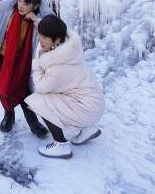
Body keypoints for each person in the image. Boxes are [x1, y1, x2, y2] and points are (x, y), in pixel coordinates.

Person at [0, 0, 55, 138]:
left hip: (23, 62)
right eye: (20, 1)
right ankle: (9, 115)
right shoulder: (7, 12)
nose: (21, 5)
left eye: (26, 3)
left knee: (24, 91)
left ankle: (33, 123)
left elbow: (51, 30)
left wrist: (35, 19)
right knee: (5, 89)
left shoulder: (37, 20)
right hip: (1, 59)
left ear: (35, 6)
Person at [24, 16, 104, 159]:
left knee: (38, 100)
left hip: (87, 108)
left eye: (45, 38)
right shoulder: (68, 48)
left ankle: (60, 145)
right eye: (40, 36)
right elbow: (56, 29)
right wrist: (37, 19)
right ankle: (87, 130)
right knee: (59, 95)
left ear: (57, 40)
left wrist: (36, 64)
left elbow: (40, 87)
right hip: (92, 102)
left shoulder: (58, 67)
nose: (41, 41)